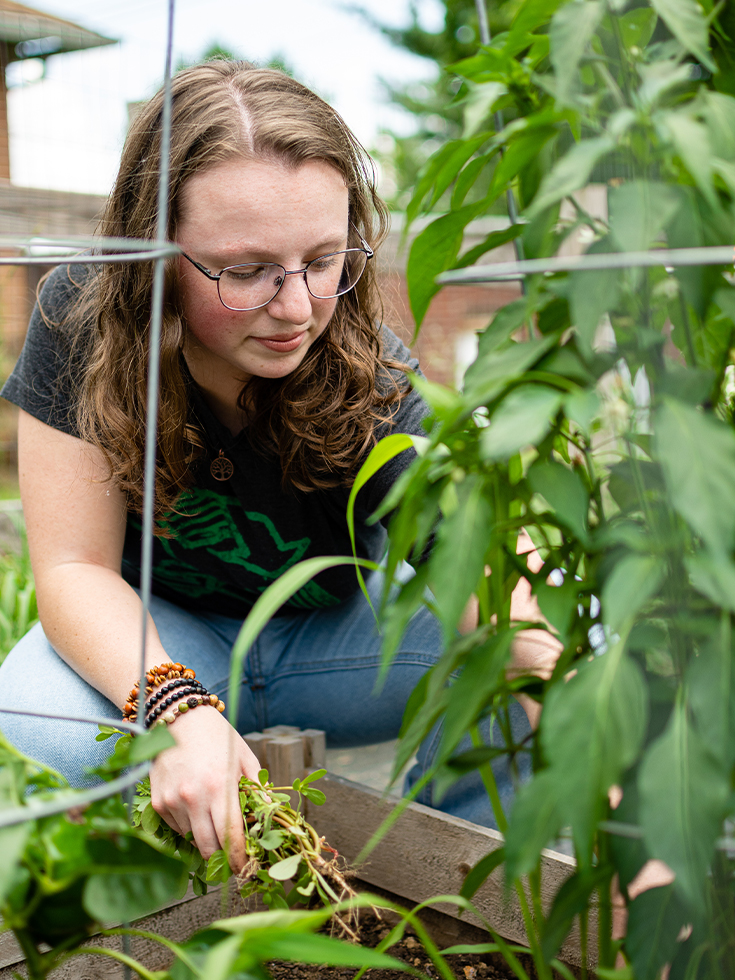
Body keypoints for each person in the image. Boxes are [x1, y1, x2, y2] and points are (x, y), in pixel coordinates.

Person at [0, 62, 552, 868]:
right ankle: (191, 893)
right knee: (38, 715)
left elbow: (486, 578)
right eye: (245, 269)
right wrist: (180, 709)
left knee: (537, 667)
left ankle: (448, 890)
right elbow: (75, 569)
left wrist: (604, 763)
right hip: (167, 636)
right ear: (153, 252)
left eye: (324, 260)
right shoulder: (80, 320)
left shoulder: (373, 375)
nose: (297, 308)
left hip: (341, 648)